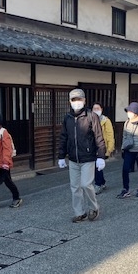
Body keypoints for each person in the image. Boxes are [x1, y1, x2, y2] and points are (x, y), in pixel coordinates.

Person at [58, 88, 106, 222]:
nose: (77, 102)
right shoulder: (67, 118)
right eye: (74, 100)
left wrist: (101, 156)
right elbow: (63, 137)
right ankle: (79, 212)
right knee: (74, 187)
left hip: (88, 157)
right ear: (70, 101)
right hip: (73, 158)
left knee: (86, 184)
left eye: (79, 99)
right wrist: (61, 156)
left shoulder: (91, 116)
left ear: (84, 100)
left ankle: (94, 207)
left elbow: (99, 137)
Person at [117, 102, 138, 198]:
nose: (128, 113)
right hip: (129, 150)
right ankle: (125, 189)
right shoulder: (127, 122)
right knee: (125, 169)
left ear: (135, 112)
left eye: (130, 111)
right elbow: (125, 136)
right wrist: (123, 148)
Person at [92, 103, 115, 194]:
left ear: (102, 109)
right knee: (95, 166)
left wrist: (109, 149)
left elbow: (110, 135)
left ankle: (98, 184)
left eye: (98, 108)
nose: (96, 110)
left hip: (101, 146)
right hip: (92, 146)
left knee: (97, 166)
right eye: (94, 108)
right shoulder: (90, 119)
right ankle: (102, 182)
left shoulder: (106, 121)